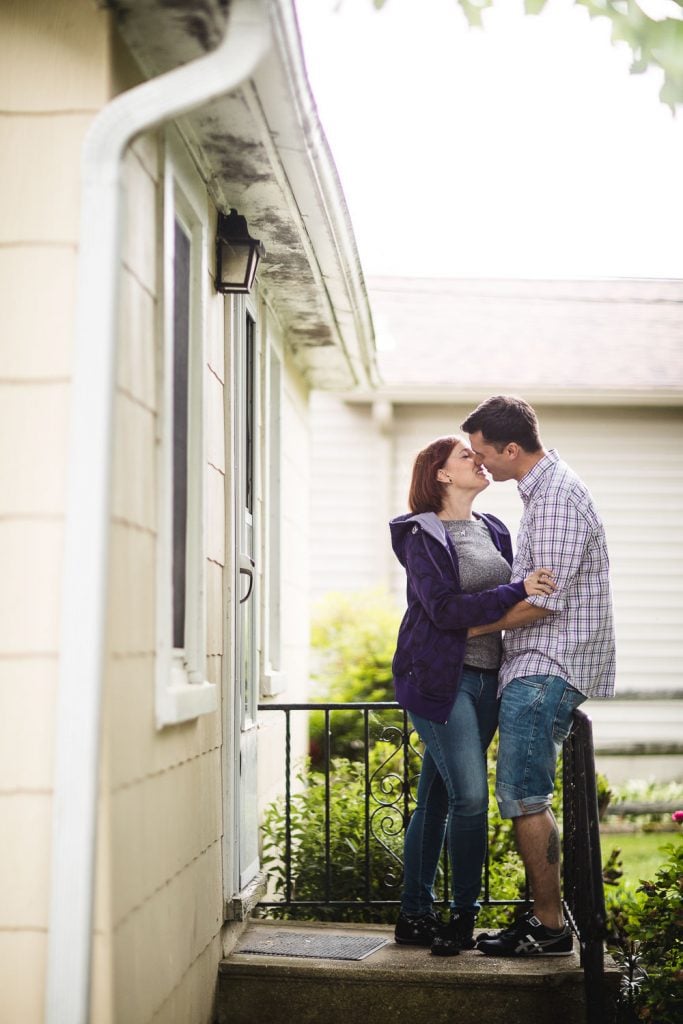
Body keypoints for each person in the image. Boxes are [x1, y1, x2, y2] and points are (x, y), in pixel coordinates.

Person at [461, 395, 616, 957]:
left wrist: (469, 631)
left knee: (525, 797)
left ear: (509, 449)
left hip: (545, 666)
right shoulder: (547, 491)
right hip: (538, 665)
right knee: (526, 795)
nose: (480, 464)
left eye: (482, 454)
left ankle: (551, 930)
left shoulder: (553, 500)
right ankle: (543, 918)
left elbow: (543, 604)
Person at [390, 434, 555, 957]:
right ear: (440, 474)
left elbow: (488, 612)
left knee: (435, 799)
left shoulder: (493, 529)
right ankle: (462, 916)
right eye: (467, 456)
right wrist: (519, 588)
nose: (478, 461)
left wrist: (518, 593)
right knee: (469, 797)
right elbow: (443, 610)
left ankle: (414, 914)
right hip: (438, 679)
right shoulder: (421, 534)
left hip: (487, 677)